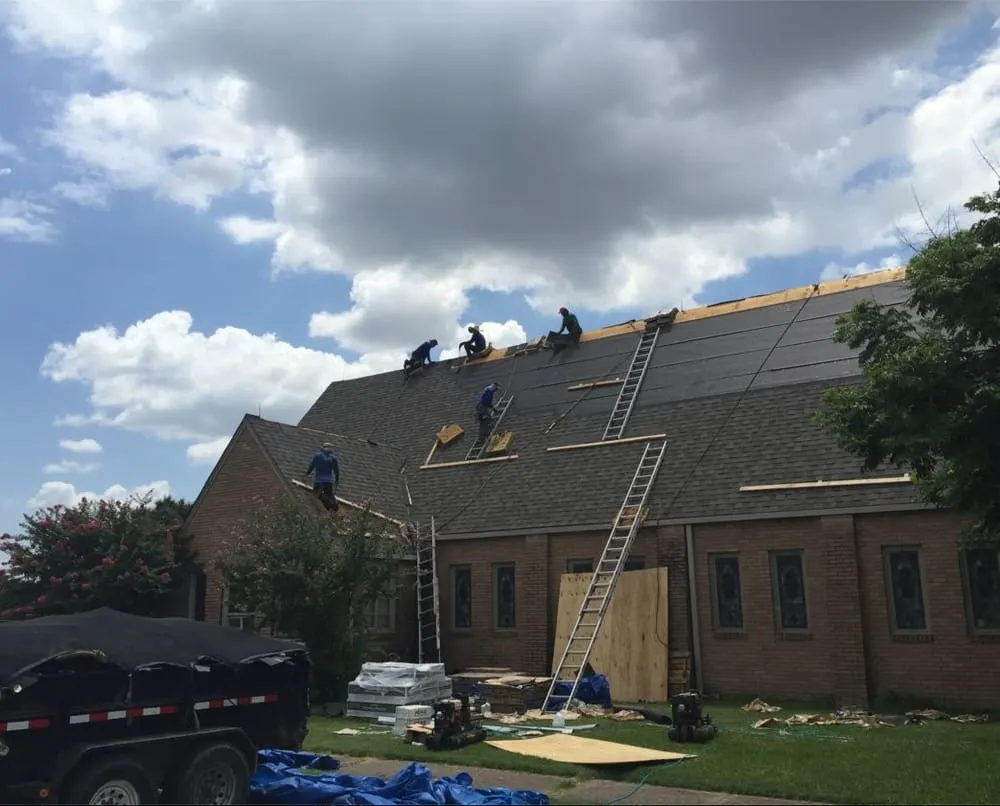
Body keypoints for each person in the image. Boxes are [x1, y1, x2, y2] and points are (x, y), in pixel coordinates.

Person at [303, 442, 340, 512]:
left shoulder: (318, 456)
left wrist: (306, 475)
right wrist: (337, 481)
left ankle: (330, 505)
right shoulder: (333, 458)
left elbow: (312, 466)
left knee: (317, 493)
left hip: (319, 480)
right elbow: (336, 471)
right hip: (329, 481)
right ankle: (335, 505)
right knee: (329, 494)